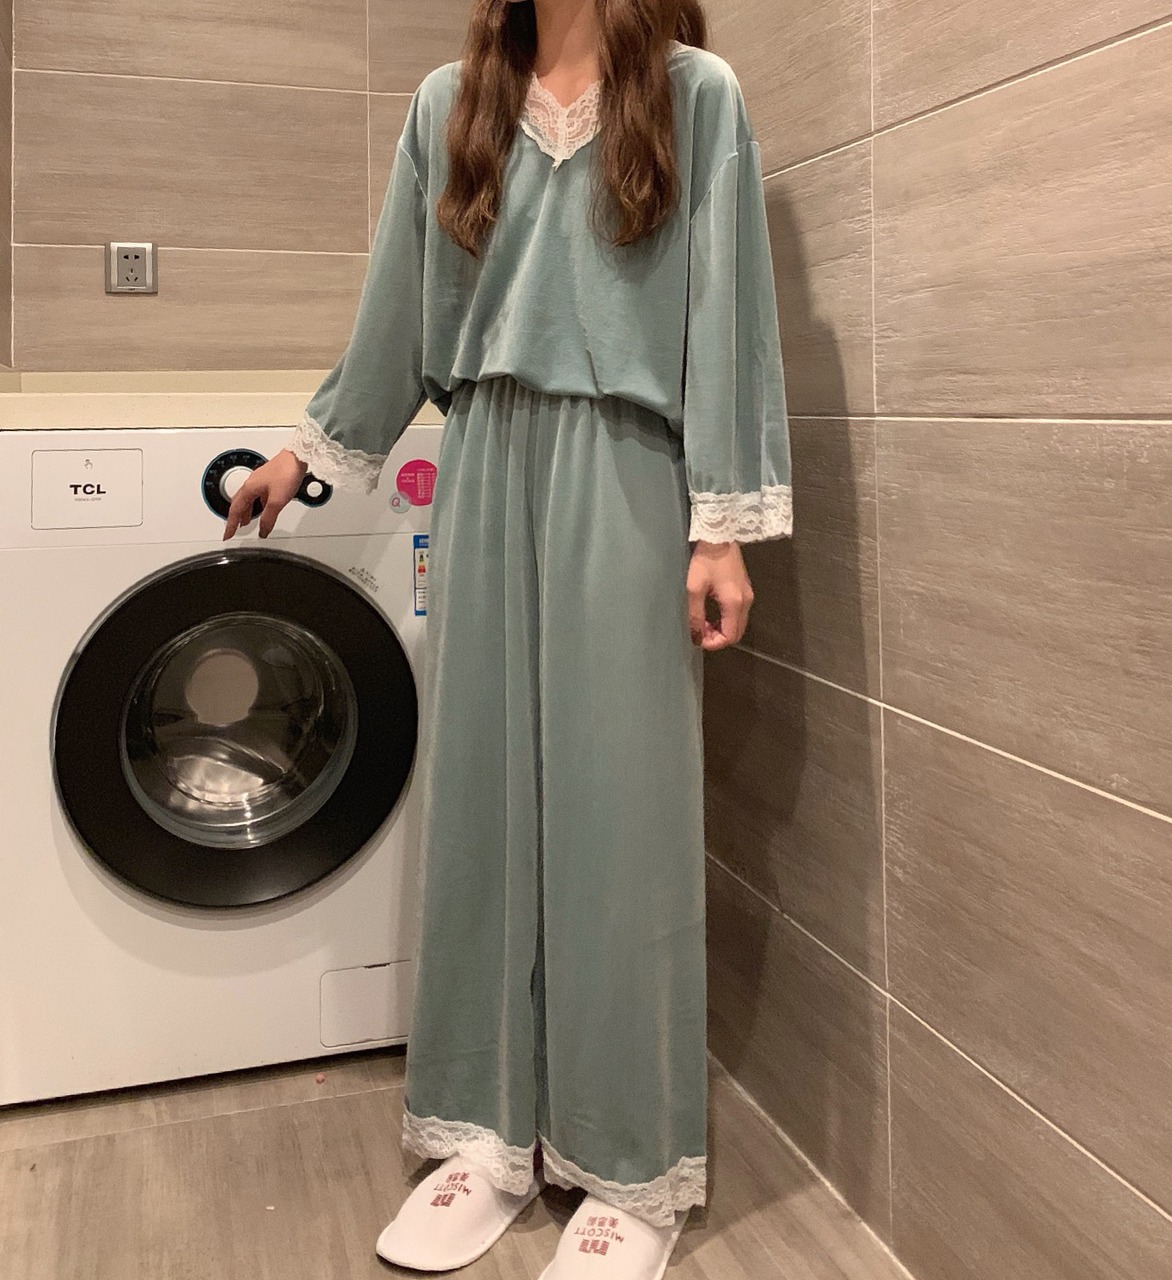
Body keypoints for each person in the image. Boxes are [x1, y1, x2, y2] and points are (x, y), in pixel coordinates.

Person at [224, 0, 790, 1274]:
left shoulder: (692, 94)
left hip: (628, 467)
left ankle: (629, 1160)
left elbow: (729, 315)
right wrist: (306, 452)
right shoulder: (450, 102)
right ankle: (484, 1134)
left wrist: (721, 524)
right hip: (482, 460)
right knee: (483, 797)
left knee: (620, 814)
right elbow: (397, 308)